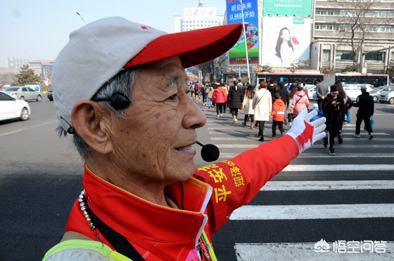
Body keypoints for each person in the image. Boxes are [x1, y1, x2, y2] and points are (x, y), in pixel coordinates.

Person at [43, 17, 326, 261]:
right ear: (96, 125)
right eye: (169, 95)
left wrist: (295, 139)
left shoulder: (187, 198)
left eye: (186, 91)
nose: (197, 117)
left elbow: (247, 170)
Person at [323, 85, 346, 156]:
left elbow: (343, 110)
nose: (335, 93)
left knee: (336, 132)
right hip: (330, 119)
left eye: (336, 91)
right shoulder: (327, 98)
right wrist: (330, 104)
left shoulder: (340, 98)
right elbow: (324, 108)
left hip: (338, 119)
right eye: (333, 92)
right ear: (331, 92)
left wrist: (343, 119)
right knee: (331, 134)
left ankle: (326, 139)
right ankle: (331, 148)